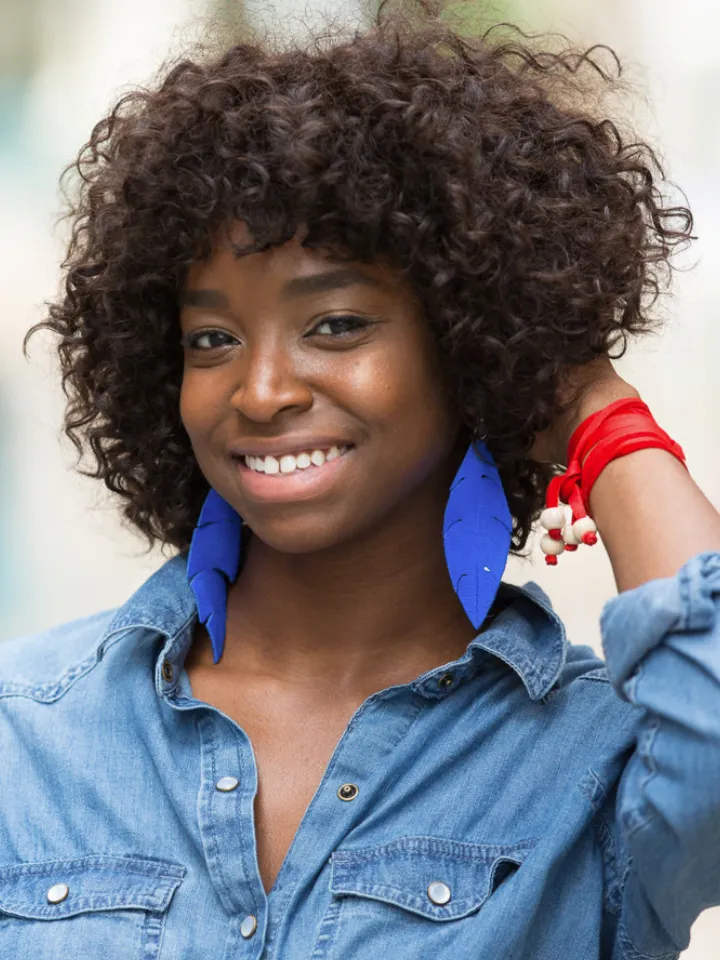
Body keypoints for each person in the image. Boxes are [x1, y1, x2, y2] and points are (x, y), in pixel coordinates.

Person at [2, 1, 719, 956]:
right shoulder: (28, 733)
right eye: (211, 339)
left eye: (334, 324)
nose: (257, 392)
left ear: (470, 344)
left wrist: (596, 411)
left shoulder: (592, 761)